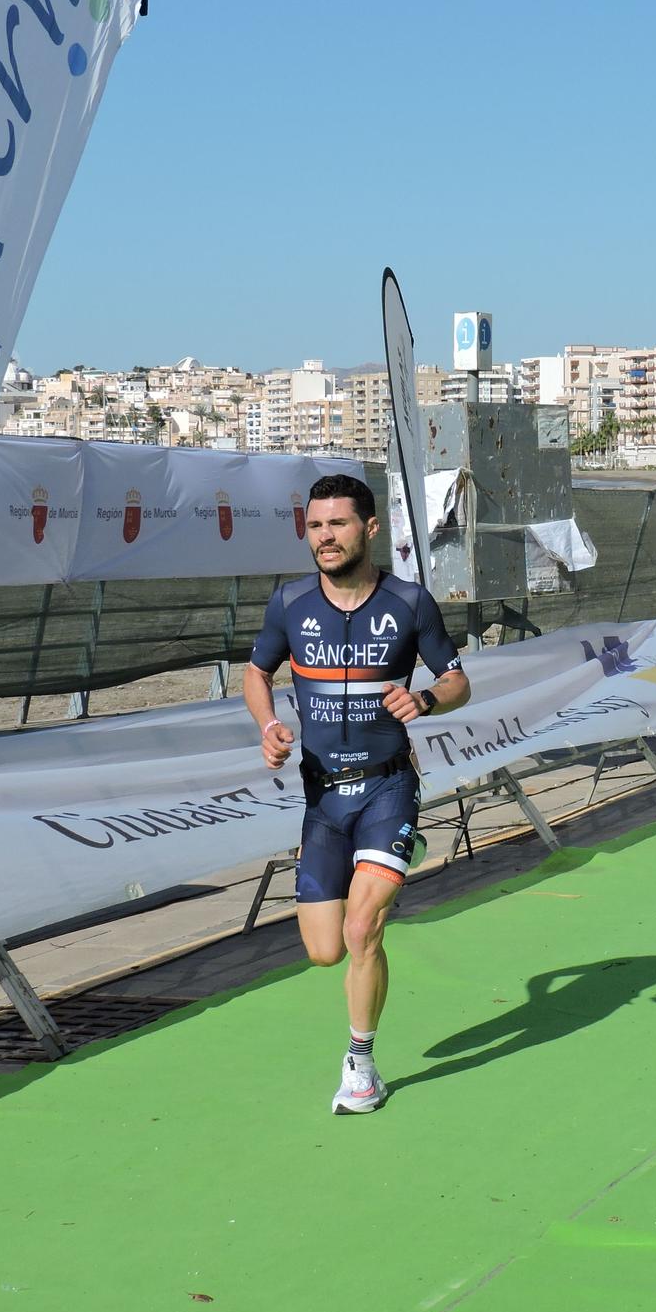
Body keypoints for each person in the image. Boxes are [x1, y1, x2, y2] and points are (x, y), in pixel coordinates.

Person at [245, 473, 472, 1116]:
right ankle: (394, 855)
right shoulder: (289, 603)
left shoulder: (409, 601)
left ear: (369, 530)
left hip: (387, 786)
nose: (324, 537)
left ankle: (360, 1060)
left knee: (363, 927)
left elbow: (457, 680)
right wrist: (267, 725)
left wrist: (424, 698)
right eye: (315, 526)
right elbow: (257, 672)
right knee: (324, 951)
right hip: (323, 798)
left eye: (337, 525)